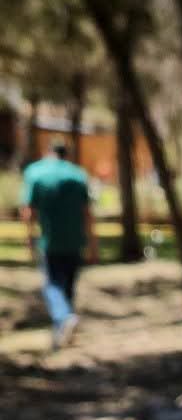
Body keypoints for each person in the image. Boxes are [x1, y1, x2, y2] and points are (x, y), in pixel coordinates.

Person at [21, 139, 98, 347]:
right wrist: (93, 244)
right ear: (67, 154)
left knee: (53, 285)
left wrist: (30, 240)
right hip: (75, 240)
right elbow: (87, 213)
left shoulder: (35, 173)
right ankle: (62, 330)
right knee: (69, 286)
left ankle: (64, 320)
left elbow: (28, 211)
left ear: (48, 152)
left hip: (50, 240)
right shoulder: (78, 175)